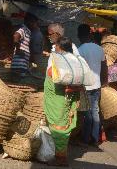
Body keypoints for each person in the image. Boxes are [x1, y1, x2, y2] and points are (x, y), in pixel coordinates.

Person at [44, 37, 81, 167]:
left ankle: (61, 158)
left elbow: (53, 74)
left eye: (57, 46)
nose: (55, 48)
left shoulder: (62, 60)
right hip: (66, 97)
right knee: (64, 124)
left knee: (58, 127)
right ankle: (60, 154)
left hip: (58, 99)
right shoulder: (73, 59)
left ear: (61, 47)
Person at [77, 24, 108, 146]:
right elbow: (105, 67)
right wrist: (104, 81)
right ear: (90, 34)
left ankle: (86, 138)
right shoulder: (99, 49)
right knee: (95, 111)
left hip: (86, 86)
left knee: (87, 114)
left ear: (79, 35)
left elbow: (78, 70)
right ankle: (95, 138)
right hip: (97, 85)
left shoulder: (80, 50)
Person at [10, 13, 37, 79]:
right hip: (19, 63)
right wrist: (19, 50)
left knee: (20, 81)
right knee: (18, 82)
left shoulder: (28, 31)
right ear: (28, 22)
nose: (35, 25)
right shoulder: (23, 29)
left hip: (22, 63)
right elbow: (16, 36)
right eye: (34, 23)